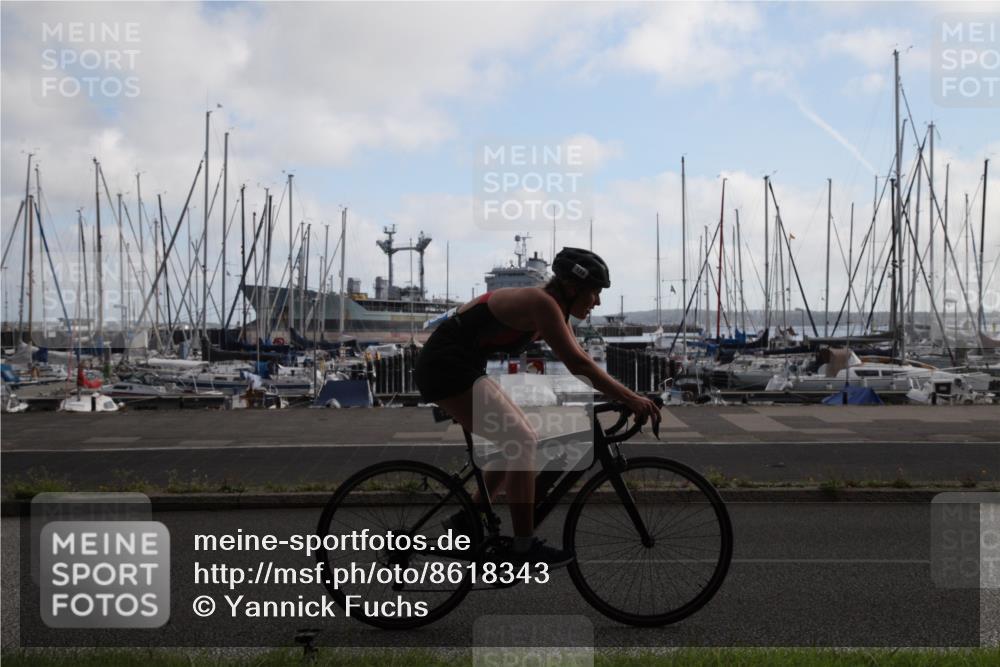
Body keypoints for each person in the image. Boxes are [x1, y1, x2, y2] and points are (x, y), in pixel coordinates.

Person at [413, 247, 661, 566]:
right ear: (571, 287)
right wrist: (630, 399)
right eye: (594, 292)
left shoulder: (552, 307)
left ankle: (467, 519)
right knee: (521, 441)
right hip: (445, 367)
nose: (597, 301)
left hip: (462, 365)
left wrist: (625, 396)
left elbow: (581, 358)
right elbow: (578, 364)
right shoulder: (541, 303)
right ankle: (523, 547)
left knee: (517, 440)